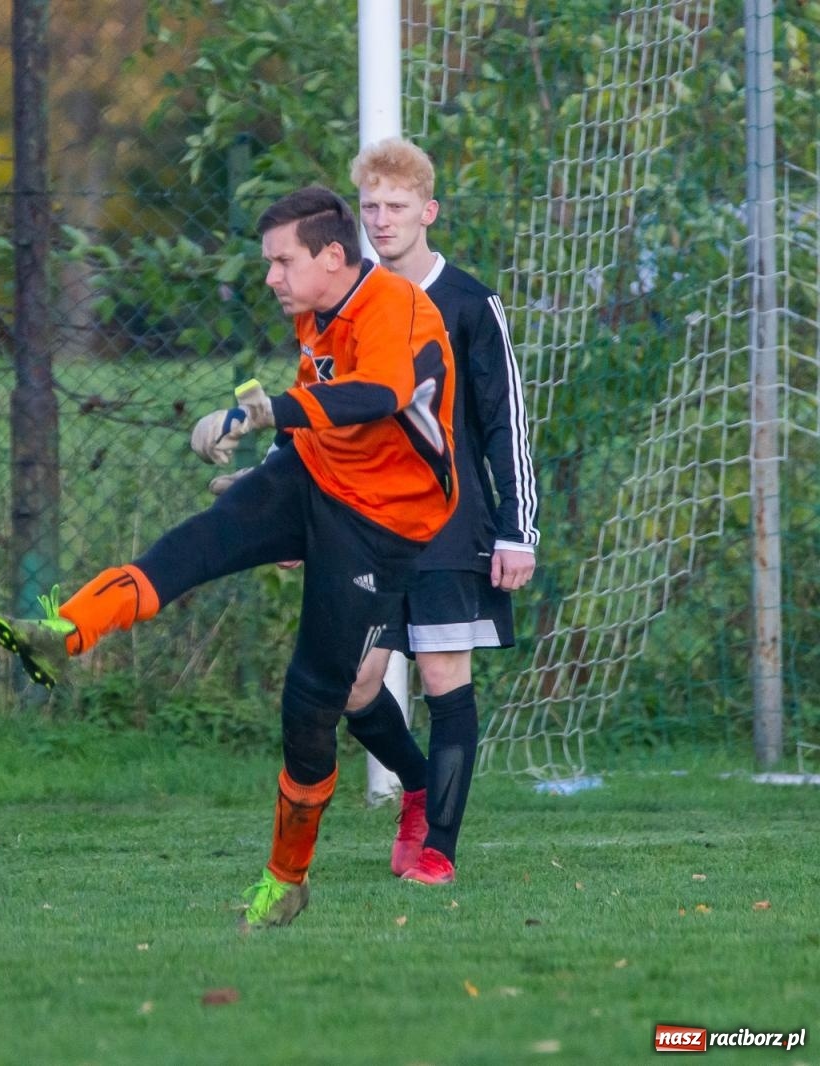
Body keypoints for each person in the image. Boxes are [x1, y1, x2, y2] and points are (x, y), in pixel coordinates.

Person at [0, 185, 458, 931]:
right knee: (193, 544)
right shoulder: (313, 312)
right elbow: (317, 397)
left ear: (332, 257)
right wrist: (266, 466)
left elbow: (379, 394)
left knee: (313, 699)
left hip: (383, 524)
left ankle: (288, 879)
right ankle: (62, 633)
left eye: (281, 261)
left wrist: (266, 407)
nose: (270, 277)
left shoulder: (394, 303)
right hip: (316, 479)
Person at [336, 137, 541, 887]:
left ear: (428, 211)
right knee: (355, 684)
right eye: (370, 208)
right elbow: (327, 413)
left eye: (396, 207)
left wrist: (518, 529)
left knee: (445, 677)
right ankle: (418, 787)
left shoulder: (468, 302)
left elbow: (503, 422)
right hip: (367, 530)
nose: (382, 221)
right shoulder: (348, 306)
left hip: (452, 530)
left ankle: (438, 851)